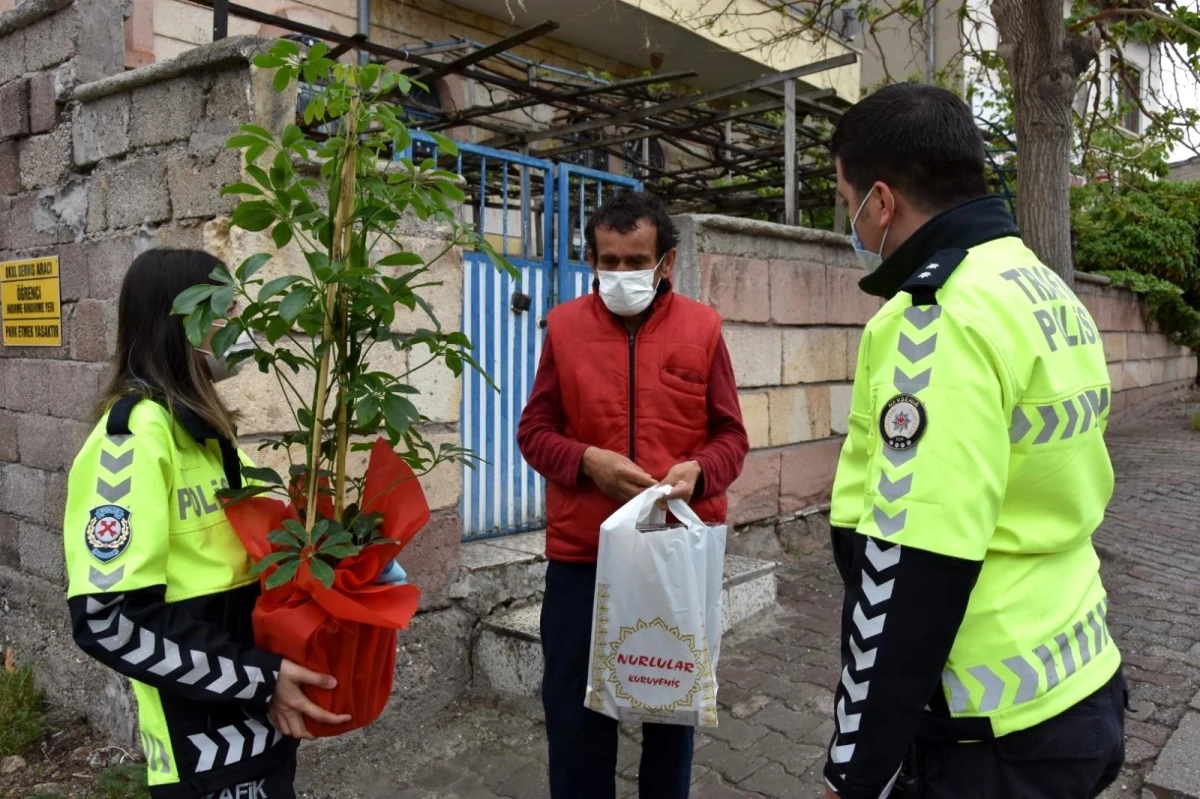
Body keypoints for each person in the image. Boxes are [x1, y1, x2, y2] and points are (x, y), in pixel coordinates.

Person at [821, 83, 1125, 799]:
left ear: (883, 200)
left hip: (989, 729)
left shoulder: (936, 318)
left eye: (846, 196)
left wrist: (856, 765)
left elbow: (914, 560)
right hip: (1080, 679)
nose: (851, 219)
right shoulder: (1042, 288)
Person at [63, 249, 349, 799]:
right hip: (202, 745)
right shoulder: (131, 444)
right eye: (228, 308)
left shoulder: (205, 436)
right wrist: (260, 678)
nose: (240, 324)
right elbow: (108, 619)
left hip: (261, 719)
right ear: (182, 319)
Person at [517, 190, 749, 799]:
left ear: (665, 262)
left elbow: (732, 437)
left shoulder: (703, 328)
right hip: (582, 558)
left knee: (672, 710)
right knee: (575, 715)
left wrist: (699, 471)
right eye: (608, 261)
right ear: (591, 259)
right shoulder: (564, 328)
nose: (620, 274)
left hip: (675, 556)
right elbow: (534, 433)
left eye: (635, 260)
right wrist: (586, 461)